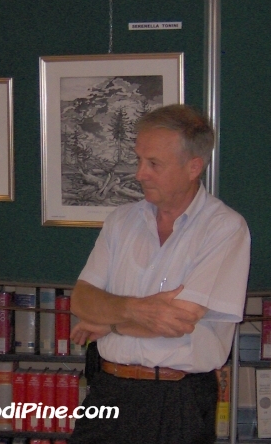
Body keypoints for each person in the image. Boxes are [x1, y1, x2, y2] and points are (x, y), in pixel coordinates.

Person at [69, 104, 251, 444]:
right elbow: (81, 300)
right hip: (108, 390)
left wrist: (110, 323)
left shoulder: (225, 228)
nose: (140, 173)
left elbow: (177, 322)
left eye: (153, 164)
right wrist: (139, 309)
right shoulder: (121, 221)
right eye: (139, 160)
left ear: (193, 166)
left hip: (178, 399)